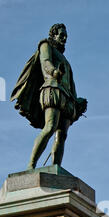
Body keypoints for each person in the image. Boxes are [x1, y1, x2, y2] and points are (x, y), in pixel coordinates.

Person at [11, 23, 87, 169]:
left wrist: (78, 102)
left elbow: (71, 84)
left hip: (67, 97)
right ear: (53, 34)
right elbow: (45, 62)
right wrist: (54, 72)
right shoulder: (46, 45)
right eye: (61, 35)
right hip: (52, 90)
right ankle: (31, 165)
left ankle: (55, 167)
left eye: (66, 36)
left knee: (62, 135)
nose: (64, 38)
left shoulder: (67, 62)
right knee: (50, 127)